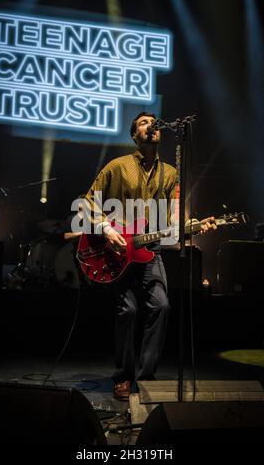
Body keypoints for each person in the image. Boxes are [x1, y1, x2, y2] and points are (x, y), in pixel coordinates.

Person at [84, 112, 216, 401]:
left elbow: (172, 219)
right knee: (127, 311)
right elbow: (89, 200)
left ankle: (146, 379)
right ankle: (123, 377)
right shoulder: (117, 167)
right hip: (117, 250)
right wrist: (106, 229)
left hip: (150, 251)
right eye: (143, 123)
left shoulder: (169, 174)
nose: (151, 126)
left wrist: (192, 226)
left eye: (153, 123)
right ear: (135, 135)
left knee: (162, 307)